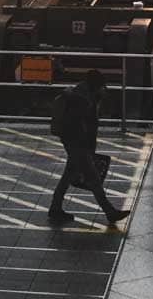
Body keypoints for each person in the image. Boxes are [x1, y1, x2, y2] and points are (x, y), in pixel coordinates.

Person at [49, 70, 131, 226]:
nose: (103, 89)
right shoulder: (83, 100)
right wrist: (86, 147)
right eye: (102, 87)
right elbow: (84, 125)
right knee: (93, 178)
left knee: (68, 176)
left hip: (73, 142)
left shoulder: (81, 93)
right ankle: (110, 212)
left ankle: (55, 207)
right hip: (78, 144)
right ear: (96, 86)